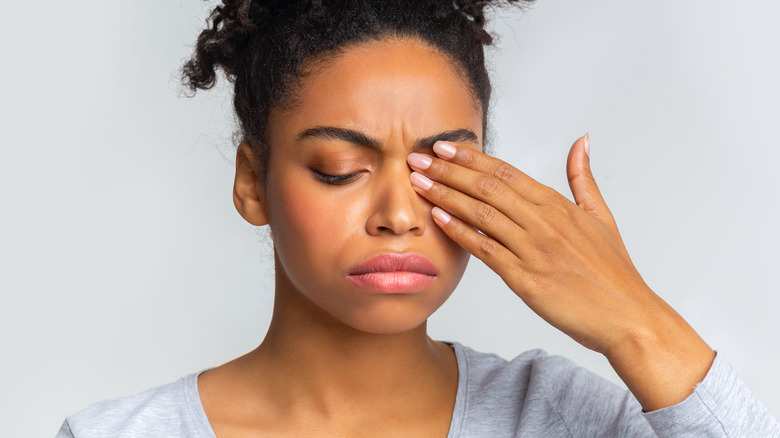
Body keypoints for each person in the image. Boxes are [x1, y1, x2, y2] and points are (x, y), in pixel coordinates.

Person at [56, 0, 780, 436]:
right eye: (340, 169)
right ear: (253, 183)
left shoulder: (561, 418)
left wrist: (635, 318)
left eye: (441, 170)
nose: (400, 214)